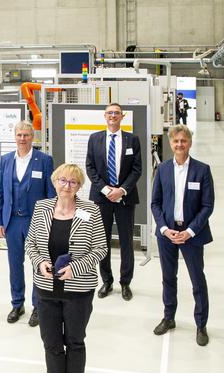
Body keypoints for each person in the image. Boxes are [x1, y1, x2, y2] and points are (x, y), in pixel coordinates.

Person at [25, 164, 107, 373]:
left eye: (73, 183)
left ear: (79, 187)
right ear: (54, 182)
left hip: (78, 292)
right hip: (46, 289)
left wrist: (76, 268)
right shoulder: (41, 208)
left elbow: (101, 249)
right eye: (62, 180)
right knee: (51, 344)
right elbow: (31, 243)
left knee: (74, 343)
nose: (66, 186)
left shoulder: (91, 210)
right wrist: (40, 263)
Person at [150, 125, 215, 346]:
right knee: (168, 278)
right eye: (175, 141)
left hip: (191, 235)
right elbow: (155, 203)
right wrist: (163, 229)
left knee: (197, 280)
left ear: (189, 142)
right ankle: (169, 318)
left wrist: (189, 231)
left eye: (183, 141)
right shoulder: (163, 169)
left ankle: (201, 324)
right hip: (167, 234)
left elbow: (207, 206)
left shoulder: (202, 170)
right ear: (170, 143)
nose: (179, 145)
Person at [0, 120, 55, 327]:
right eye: (19, 135)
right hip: (12, 222)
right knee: (15, 265)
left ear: (32, 137)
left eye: (26, 135)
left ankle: (38, 306)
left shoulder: (44, 160)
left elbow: (50, 194)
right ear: (15, 137)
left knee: (39, 264)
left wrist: (50, 221)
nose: (22, 139)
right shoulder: (6, 160)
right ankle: (17, 303)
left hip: (35, 221)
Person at [85, 102, 142, 301]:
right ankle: (107, 281)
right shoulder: (95, 139)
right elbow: (90, 167)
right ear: (105, 116)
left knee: (126, 241)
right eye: (110, 113)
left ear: (122, 116)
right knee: (103, 240)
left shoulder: (132, 140)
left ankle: (125, 282)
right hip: (102, 197)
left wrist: (122, 190)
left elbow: (137, 169)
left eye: (116, 113)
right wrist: (106, 189)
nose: (113, 116)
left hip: (125, 197)